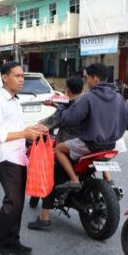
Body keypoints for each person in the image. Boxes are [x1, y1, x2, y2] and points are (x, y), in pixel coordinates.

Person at [0, 62, 47, 255]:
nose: (21, 79)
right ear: (5, 77)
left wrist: (33, 130)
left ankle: (11, 240)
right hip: (5, 157)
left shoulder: (15, 101)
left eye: (22, 76)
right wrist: (23, 133)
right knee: (13, 202)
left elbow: (15, 129)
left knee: (18, 202)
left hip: (19, 156)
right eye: (17, 76)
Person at [55, 63, 128, 189]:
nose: (87, 81)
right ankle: (107, 179)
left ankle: (74, 180)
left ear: (95, 79)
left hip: (90, 145)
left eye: (88, 77)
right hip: (111, 145)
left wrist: (60, 108)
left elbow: (69, 119)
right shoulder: (118, 97)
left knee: (58, 149)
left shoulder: (88, 97)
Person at [28, 76, 84, 230]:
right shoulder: (89, 103)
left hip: (71, 149)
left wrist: (36, 126)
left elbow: (50, 123)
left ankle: (45, 216)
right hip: (91, 146)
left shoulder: (67, 109)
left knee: (50, 173)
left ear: (67, 91)